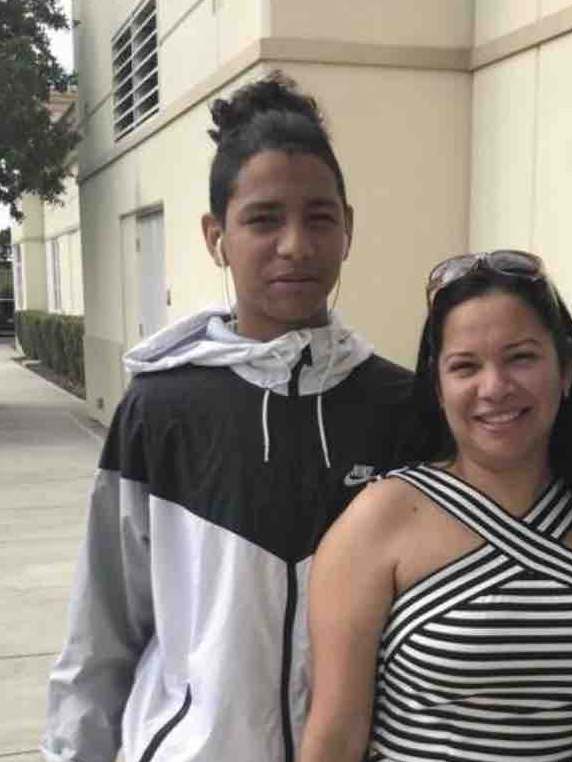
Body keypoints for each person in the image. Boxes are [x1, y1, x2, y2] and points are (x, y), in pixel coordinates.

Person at [41, 72, 414, 762]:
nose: (296, 245)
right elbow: (102, 633)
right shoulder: (160, 409)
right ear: (216, 236)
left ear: (348, 229)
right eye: (264, 219)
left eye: (319, 217)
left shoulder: (401, 407)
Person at [300, 251, 572, 762]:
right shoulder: (380, 518)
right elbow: (334, 736)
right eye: (465, 366)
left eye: (521, 357)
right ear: (438, 388)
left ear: (565, 369)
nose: (494, 388)